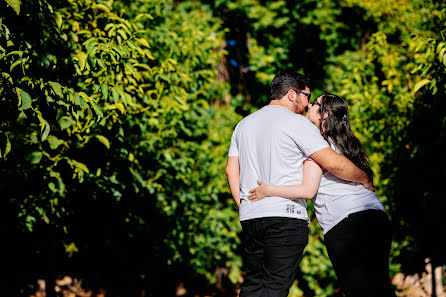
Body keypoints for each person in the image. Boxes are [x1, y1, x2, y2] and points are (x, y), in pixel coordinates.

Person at [225, 71, 373, 297]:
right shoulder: (297, 124)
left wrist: (244, 204)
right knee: (275, 287)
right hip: (285, 216)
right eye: (307, 97)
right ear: (292, 95)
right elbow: (332, 162)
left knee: (254, 284)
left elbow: (230, 169)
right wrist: (363, 177)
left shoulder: (243, 125)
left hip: (251, 218)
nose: (307, 105)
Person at [248, 94, 396, 297]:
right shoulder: (347, 144)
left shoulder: (316, 145)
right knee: (379, 288)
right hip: (376, 217)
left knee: (360, 291)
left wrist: (268, 190)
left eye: (315, 103)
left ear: (324, 114)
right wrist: (364, 177)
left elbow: (308, 190)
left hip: (346, 225)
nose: (309, 105)